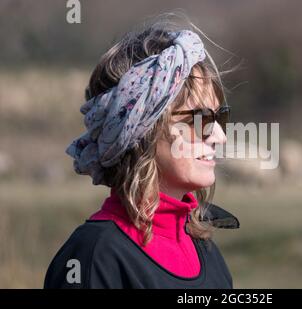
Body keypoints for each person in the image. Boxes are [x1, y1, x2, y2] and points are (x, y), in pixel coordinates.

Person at [44, 16, 239, 289]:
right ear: (143, 130)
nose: (220, 136)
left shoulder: (207, 254)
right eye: (200, 120)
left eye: (220, 117)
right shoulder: (93, 260)